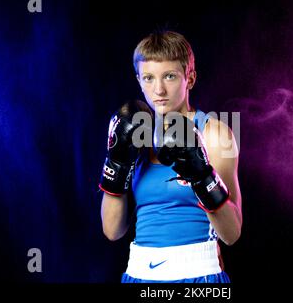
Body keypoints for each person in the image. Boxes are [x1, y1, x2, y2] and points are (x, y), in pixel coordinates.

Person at [99, 30, 242, 283]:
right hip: (139, 273)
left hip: (197, 273)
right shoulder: (133, 133)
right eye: (149, 78)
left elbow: (231, 234)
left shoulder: (216, 134)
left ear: (190, 78)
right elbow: (112, 231)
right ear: (139, 81)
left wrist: (201, 174)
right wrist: (116, 161)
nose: (159, 89)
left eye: (169, 76)